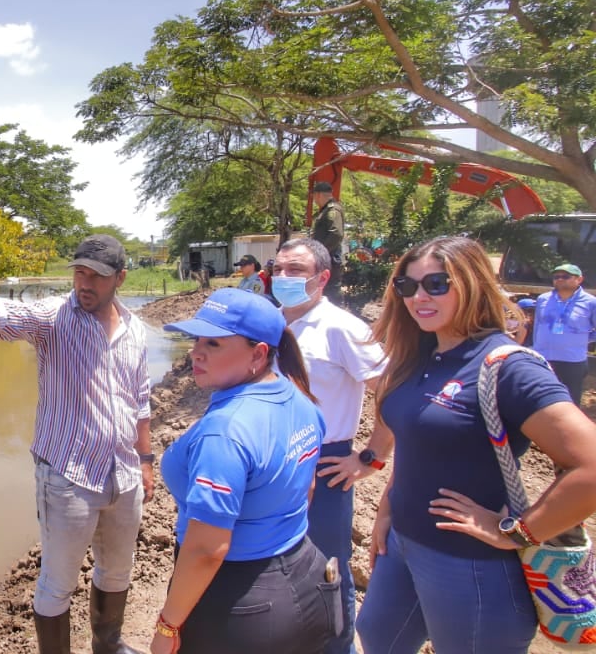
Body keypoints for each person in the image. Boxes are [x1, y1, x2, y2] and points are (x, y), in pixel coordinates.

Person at [0, 234, 153, 654]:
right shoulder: (57, 317)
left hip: (125, 473)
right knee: (58, 582)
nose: (85, 282)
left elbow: (141, 400)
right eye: (79, 271)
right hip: (68, 476)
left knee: (117, 571)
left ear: (120, 278)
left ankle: (108, 644)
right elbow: (7, 314)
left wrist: (146, 460)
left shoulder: (135, 330)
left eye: (97, 275)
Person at [355, 236, 596, 654]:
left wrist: (519, 532)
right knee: (378, 638)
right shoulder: (418, 354)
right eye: (407, 286)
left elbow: (590, 466)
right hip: (403, 545)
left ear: (471, 282)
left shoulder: (507, 367)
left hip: (470, 564)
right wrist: (388, 507)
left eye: (436, 283)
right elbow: (418, 443)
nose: (419, 297)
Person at [152, 288, 341, 654]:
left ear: (258, 354)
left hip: (240, 602)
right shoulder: (298, 399)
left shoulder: (225, 431)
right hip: (305, 576)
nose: (196, 353)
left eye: (214, 343)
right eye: (196, 340)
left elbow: (207, 548)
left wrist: (167, 625)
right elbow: (306, 487)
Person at [271, 237, 388, 654]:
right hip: (274, 459)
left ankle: (338, 647)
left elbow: (391, 391)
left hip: (325, 461)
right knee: (278, 562)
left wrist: (370, 457)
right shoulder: (271, 322)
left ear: (323, 277)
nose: (283, 277)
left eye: (296, 270)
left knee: (327, 567)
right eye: (278, 268)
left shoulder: (343, 328)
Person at [531, 263, 596, 405]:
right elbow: (537, 327)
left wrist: (582, 339)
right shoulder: (543, 299)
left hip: (572, 360)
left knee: (569, 401)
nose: (559, 279)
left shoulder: (590, 303)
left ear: (579, 279)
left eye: (565, 276)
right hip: (543, 358)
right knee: (540, 399)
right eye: (556, 277)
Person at [310, 181, 346, 302]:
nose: (314, 200)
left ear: (319, 195)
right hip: (326, 258)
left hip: (329, 259)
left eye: (314, 196)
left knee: (331, 292)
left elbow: (336, 233)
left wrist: (321, 252)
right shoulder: (326, 210)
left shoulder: (332, 210)